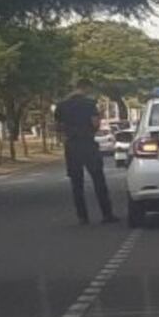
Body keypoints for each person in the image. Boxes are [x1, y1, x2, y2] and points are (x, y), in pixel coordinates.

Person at [54, 78, 118, 225]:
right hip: (88, 144)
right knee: (98, 180)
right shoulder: (89, 103)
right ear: (87, 88)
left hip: (71, 145)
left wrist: (69, 132)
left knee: (77, 184)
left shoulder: (62, 105)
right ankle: (107, 214)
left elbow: (57, 126)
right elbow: (95, 123)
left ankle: (82, 217)